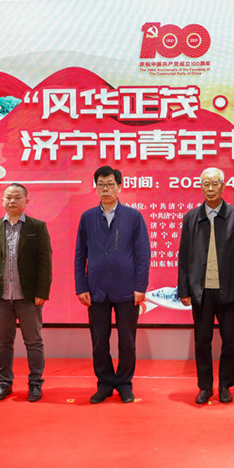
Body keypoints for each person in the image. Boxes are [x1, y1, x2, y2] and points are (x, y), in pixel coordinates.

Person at [75, 166, 150, 404]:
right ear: (96, 188)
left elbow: (143, 254)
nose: (105, 189)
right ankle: (105, 383)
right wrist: (81, 287)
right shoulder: (87, 217)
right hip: (96, 289)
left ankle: (125, 384)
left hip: (127, 289)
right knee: (99, 340)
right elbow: (80, 254)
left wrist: (140, 286)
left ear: (119, 187)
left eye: (109, 184)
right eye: (101, 185)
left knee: (127, 340)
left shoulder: (133, 216)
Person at [0, 183, 52, 403]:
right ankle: (4, 383)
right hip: (1, 296)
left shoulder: (37, 227)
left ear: (26, 201)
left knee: (34, 341)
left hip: (28, 296)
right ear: (2, 200)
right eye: (8, 197)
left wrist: (42, 292)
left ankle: (35, 383)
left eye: (17, 197)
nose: (12, 201)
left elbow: (45, 263)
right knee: (3, 342)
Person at [178, 168, 234, 405]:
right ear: (201, 187)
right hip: (201, 291)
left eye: (214, 184)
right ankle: (205, 386)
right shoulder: (191, 218)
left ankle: (225, 385)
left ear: (223, 187)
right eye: (205, 184)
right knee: (202, 341)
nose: (210, 188)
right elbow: (184, 256)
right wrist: (184, 289)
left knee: (230, 341)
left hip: (229, 289)